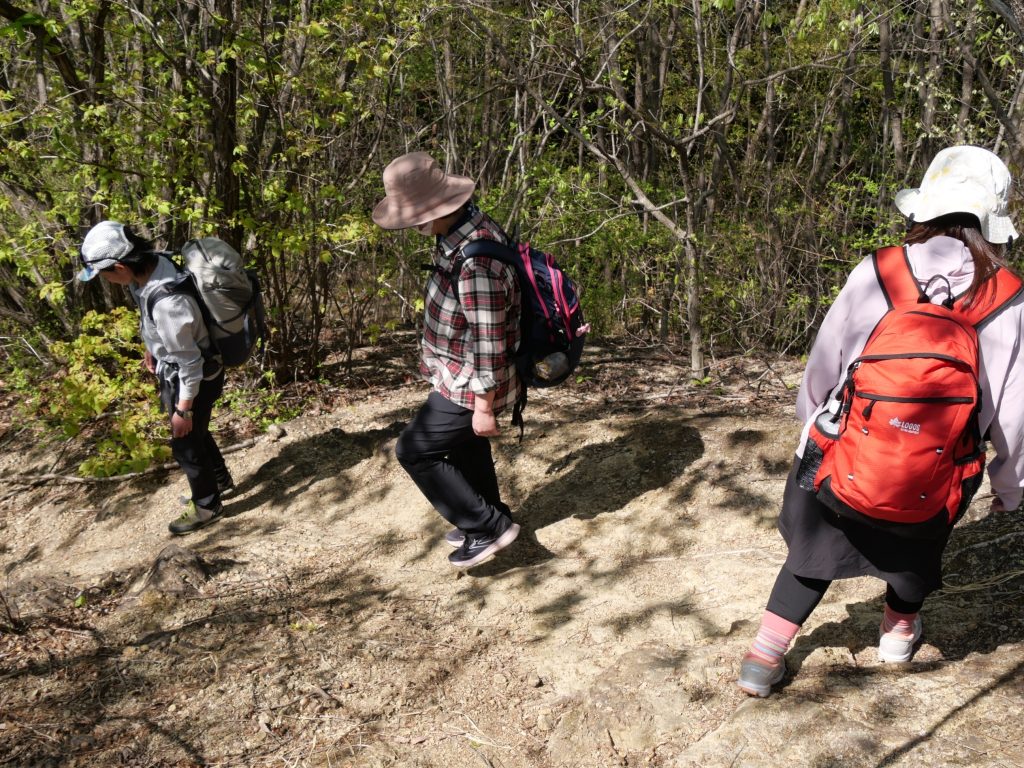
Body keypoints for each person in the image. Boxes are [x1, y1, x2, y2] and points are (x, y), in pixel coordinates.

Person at [737, 145, 1024, 697]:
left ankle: (763, 656)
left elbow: (825, 363)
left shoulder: (879, 269)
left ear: (925, 207)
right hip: (939, 465)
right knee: (915, 544)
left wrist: (812, 429)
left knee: (812, 550)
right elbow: (1010, 414)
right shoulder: (1009, 300)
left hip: (844, 444)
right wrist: (1009, 486)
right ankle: (897, 636)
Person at [372, 151, 522, 568]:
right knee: (463, 448)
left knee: (415, 450)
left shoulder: (475, 262)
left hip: (474, 380)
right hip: (457, 373)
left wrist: (484, 406)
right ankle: (489, 513)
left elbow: (489, 338)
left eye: (416, 215)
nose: (413, 224)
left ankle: (487, 527)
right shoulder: (465, 230)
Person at [78, 221, 234, 535]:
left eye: (104, 274)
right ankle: (218, 481)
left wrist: (183, 409)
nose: (105, 281)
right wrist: (153, 347)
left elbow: (190, 363)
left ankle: (207, 506)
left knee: (185, 442)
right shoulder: (154, 265)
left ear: (120, 266)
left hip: (194, 377)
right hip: (184, 368)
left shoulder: (168, 303)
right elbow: (153, 320)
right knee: (196, 433)